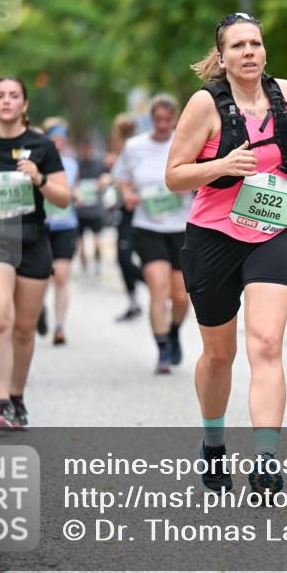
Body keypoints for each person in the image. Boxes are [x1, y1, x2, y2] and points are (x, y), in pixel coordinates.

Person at [166, 12, 287, 500]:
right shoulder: (204, 105)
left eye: (255, 43)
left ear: (265, 51)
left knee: (265, 345)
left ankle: (265, 461)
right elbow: (174, 175)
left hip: (270, 230)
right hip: (213, 236)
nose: (248, 52)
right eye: (237, 45)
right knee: (220, 354)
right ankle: (214, 444)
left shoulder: (284, 93)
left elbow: (285, 140)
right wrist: (220, 165)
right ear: (221, 56)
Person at [0, 77, 70, 429]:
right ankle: (1, 404)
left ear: (24, 105)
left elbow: (64, 198)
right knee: (1, 318)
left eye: (14, 96)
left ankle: (17, 396)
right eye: (0, 96)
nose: (6, 101)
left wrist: (39, 178)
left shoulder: (42, 146)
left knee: (24, 329)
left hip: (33, 240)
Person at [114, 94, 192, 374]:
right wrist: (128, 193)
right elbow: (121, 178)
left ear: (175, 119)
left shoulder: (186, 143)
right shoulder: (135, 147)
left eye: (167, 120)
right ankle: (162, 350)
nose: (161, 125)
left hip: (182, 226)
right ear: (150, 119)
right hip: (147, 227)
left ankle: (173, 332)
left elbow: (201, 177)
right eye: (157, 120)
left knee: (181, 297)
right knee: (158, 291)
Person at [42, 118, 80, 345]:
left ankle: (59, 326)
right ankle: (39, 311)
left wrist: (77, 196)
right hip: (43, 226)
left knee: (61, 277)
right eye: (54, 139)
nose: (58, 143)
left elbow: (73, 190)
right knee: (42, 277)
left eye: (61, 139)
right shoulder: (38, 162)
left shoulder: (72, 164)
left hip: (66, 225)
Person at [108, 113, 144, 321]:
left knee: (127, 257)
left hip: (137, 211)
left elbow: (134, 179)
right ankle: (134, 302)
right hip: (123, 211)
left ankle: (157, 287)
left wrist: (127, 189)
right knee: (123, 259)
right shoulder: (121, 153)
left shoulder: (134, 150)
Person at [74, 139, 109, 281]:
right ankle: (85, 271)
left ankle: (97, 266)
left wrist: (103, 182)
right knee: (81, 245)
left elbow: (108, 177)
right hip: (80, 211)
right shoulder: (76, 165)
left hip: (95, 211)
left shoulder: (99, 164)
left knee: (96, 242)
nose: (86, 153)